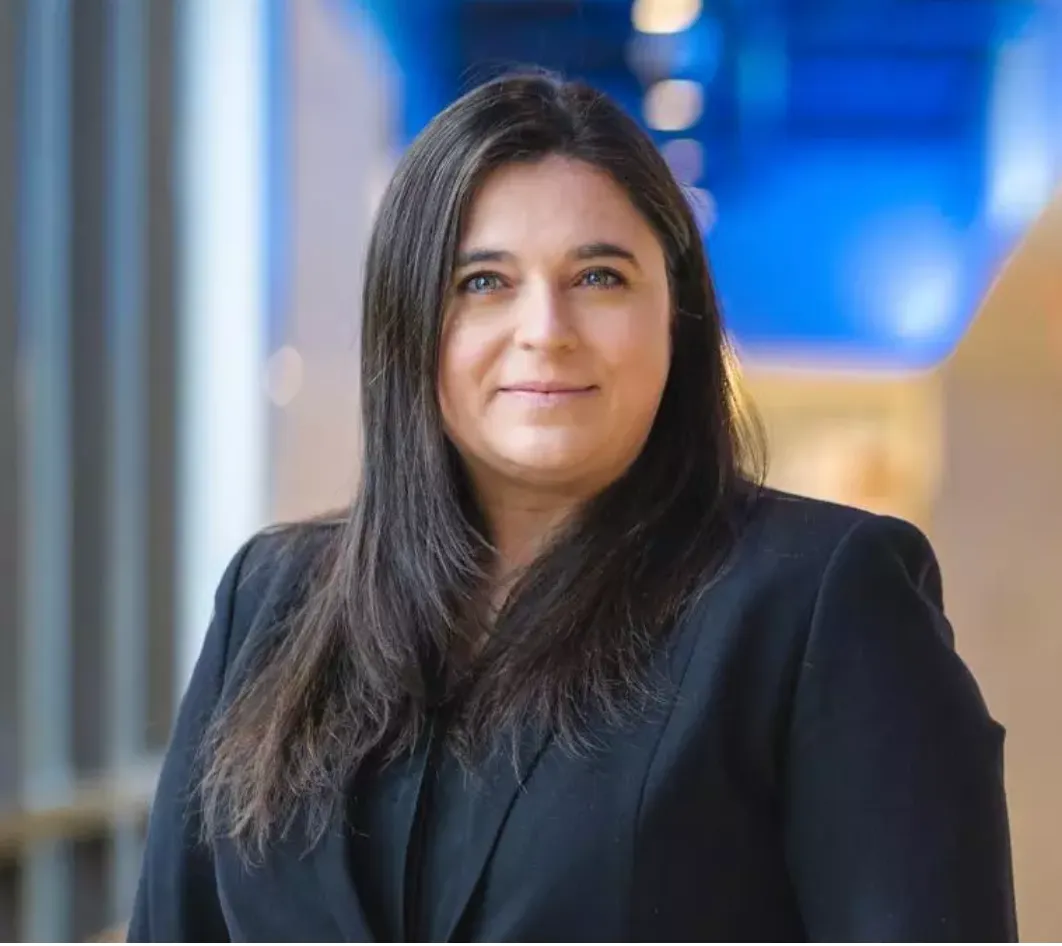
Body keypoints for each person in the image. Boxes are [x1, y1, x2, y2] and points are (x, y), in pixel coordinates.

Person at [128, 73, 1016, 942]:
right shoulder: (273, 599)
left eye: (598, 277)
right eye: (482, 282)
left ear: (679, 314)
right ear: (406, 322)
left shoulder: (819, 600)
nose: (545, 328)